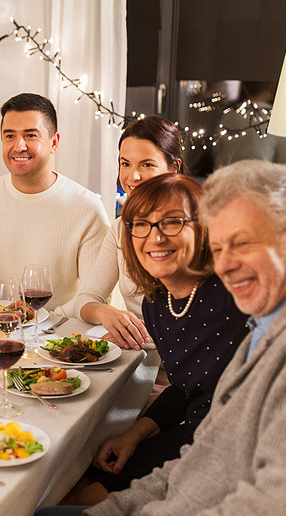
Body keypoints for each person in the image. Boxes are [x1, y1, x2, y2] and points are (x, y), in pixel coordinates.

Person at [0, 160, 286, 516]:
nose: (227, 266)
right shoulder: (267, 324)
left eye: (243, 243)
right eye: (220, 248)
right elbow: (209, 456)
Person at [65, 173, 248, 506]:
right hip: (194, 432)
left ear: (204, 227)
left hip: (233, 454)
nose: (155, 237)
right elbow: (185, 388)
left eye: (173, 223)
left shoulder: (237, 294)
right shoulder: (156, 304)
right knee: (82, 475)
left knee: (76, 506)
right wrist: (134, 435)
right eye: (141, 225)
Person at [0, 93, 108, 314]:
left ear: (54, 143)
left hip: (59, 333)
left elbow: (96, 292)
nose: (19, 146)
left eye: (30, 135)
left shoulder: (87, 207)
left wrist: (46, 322)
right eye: (10, 136)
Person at [71, 116, 184, 350]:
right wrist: (106, 312)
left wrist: (145, 337)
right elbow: (85, 299)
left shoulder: (194, 229)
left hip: (189, 363)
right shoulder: (122, 227)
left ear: (174, 167)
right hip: (138, 357)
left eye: (147, 165)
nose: (133, 177)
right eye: (125, 163)